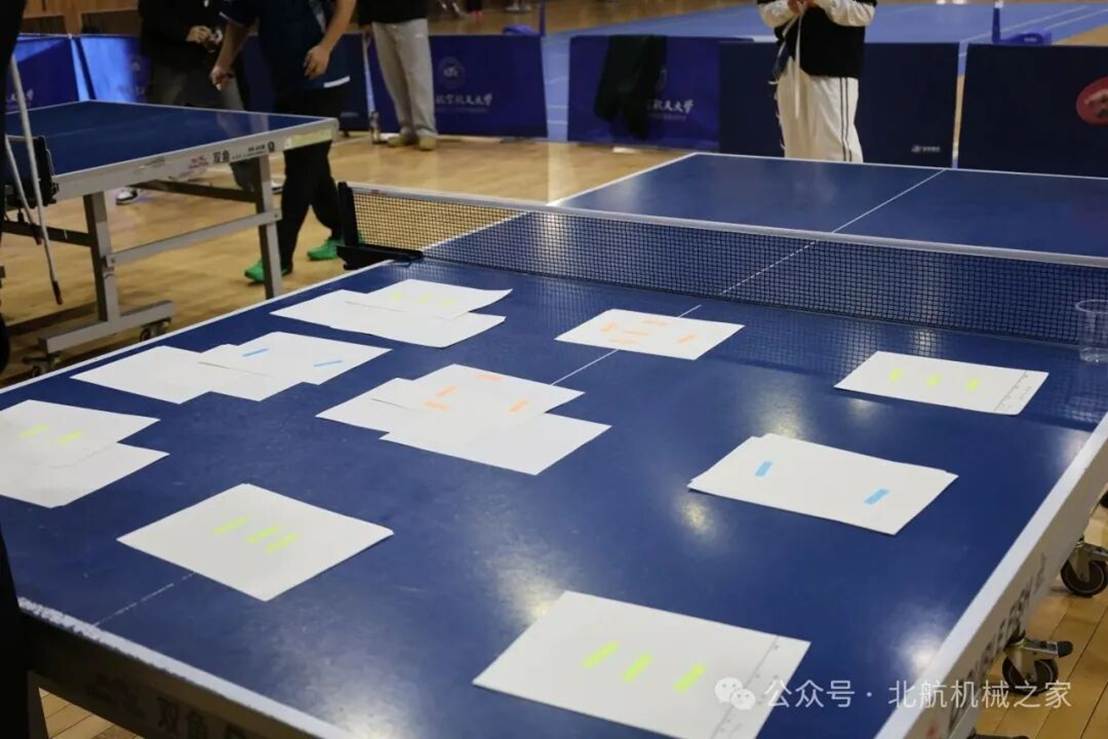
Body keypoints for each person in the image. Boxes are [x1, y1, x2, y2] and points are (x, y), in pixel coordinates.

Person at [213, 0, 355, 283]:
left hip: (323, 81)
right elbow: (239, 22)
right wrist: (223, 63)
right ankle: (345, 232)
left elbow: (346, 4)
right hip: (286, 83)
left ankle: (278, 256)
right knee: (313, 167)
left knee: (301, 170)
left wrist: (325, 47)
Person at [117, 0, 250, 205]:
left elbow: (228, 10)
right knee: (157, 121)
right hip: (172, 55)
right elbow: (149, 9)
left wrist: (218, 32)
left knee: (236, 117)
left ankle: (253, 181)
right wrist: (185, 32)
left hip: (215, 58)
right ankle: (136, 182)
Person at [758, 0, 876, 162]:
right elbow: (767, 12)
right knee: (796, 155)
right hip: (790, 66)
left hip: (833, 67)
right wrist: (788, 6)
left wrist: (822, 1)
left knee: (836, 154)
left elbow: (864, 11)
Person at [359, 1, 438, 151]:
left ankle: (426, 131)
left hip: (411, 16)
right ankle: (407, 129)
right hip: (379, 18)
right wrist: (365, 18)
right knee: (393, 78)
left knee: (418, 76)